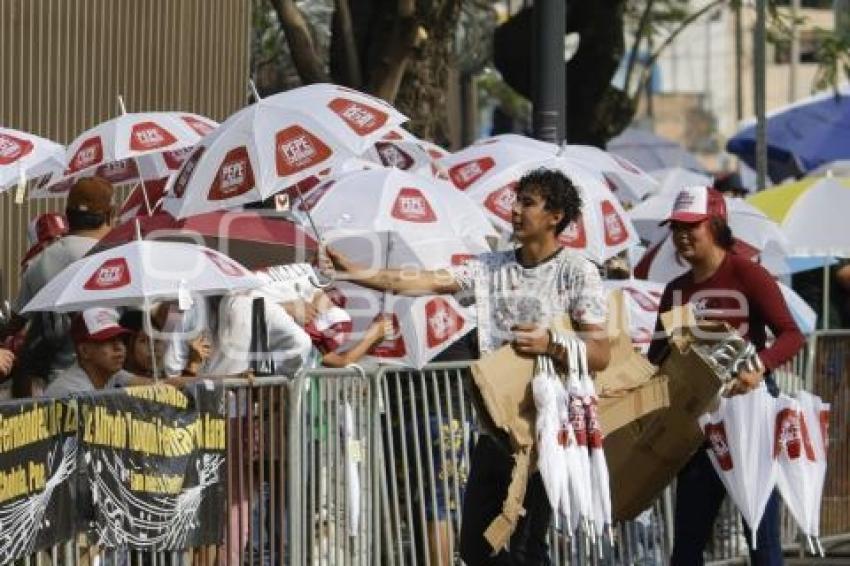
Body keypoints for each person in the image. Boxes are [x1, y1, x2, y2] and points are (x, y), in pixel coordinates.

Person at [323, 168, 611, 565]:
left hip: (545, 432)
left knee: (525, 548)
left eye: (528, 203)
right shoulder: (490, 267)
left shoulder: (577, 271)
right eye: (517, 200)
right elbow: (421, 281)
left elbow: (600, 352)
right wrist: (354, 271)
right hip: (494, 430)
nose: (515, 211)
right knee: (477, 549)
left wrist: (552, 343)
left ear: (555, 216)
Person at [647, 186, 805, 566]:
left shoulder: (748, 273)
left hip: (749, 417)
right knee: (687, 541)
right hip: (701, 423)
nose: (681, 236)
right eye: (675, 228)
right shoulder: (675, 290)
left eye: (691, 226)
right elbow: (657, 355)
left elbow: (792, 334)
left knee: (760, 536)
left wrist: (758, 368)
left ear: (716, 225)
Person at [8, 177, 116, 395]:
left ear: (68, 216)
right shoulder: (116, 259)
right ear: (109, 216)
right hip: (109, 385)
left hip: (54, 385)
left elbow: (17, 321)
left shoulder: (38, 263)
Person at [44, 307, 135, 397]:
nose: (118, 347)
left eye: (120, 339)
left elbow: (143, 382)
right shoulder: (71, 393)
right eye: (108, 340)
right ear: (84, 351)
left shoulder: (107, 372)